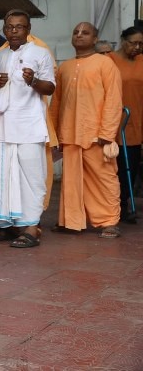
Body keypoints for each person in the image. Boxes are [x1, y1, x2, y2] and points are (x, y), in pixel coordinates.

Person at [0, 11, 55, 248]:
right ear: (4, 30)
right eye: (10, 27)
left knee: (31, 176)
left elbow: (50, 88)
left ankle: (31, 227)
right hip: (1, 125)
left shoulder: (40, 53)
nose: (14, 31)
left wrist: (33, 81)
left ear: (28, 29)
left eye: (19, 27)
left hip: (28, 125)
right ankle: (7, 224)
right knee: (1, 175)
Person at [50, 22, 123, 237]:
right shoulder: (65, 67)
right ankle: (70, 221)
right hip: (70, 133)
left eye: (85, 33)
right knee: (71, 180)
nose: (79, 36)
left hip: (96, 134)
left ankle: (109, 221)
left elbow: (113, 100)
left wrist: (107, 133)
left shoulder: (105, 64)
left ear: (94, 39)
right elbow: (57, 102)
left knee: (104, 178)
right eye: (76, 32)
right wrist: (54, 132)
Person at [108, 27, 143, 224]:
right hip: (117, 122)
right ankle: (117, 205)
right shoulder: (110, 60)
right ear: (122, 40)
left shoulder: (142, 60)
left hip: (137, 120)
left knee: (133, 164)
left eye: (140, 44)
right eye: (133, 43)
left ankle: (126, 202)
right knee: (118, 167)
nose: (137, 47)